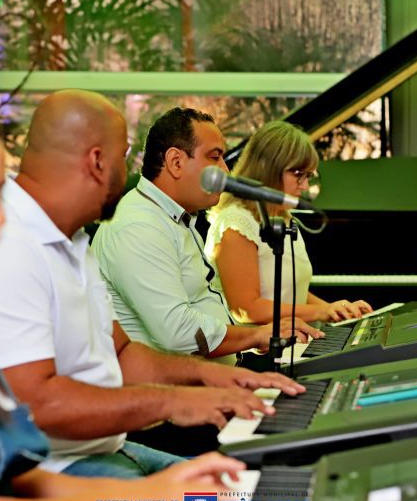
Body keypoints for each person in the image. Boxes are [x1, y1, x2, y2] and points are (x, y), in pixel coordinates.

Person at [0, 105, 244, 501]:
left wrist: (148, 496)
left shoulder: (70, 241)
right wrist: (166, 418)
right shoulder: (11, 252)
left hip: (92, 459)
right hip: (72, 466)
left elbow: (5, 478)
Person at [0, 90, 306, 477]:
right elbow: (34, 404)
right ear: (98, 162)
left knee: (256, 495)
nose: (128, 170)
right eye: (123, 155)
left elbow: (123, 354)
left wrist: (213, 376)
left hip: (106, 448)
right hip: (60, 471)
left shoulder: (70, 239)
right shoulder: (12, 244)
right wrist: (170, 402)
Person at [92, 107, 322, 362]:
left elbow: (203, 308)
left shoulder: (174, 217)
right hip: (171, 395)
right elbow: (178, 332)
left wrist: (254, 339)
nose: (224, 169)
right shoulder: (138, 227)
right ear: (176, 162)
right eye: (214, 158)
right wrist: (253, 336)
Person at [204, 120, 372, 325]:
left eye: (309, 176)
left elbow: (293, 293)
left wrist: (337, 310)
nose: (305, 185)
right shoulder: (235, 221)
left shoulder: (283, 218)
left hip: (289, 340)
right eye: (298, 174)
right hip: (251, 351)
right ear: (268, 169)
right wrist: (321, 312)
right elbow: (246, 310)